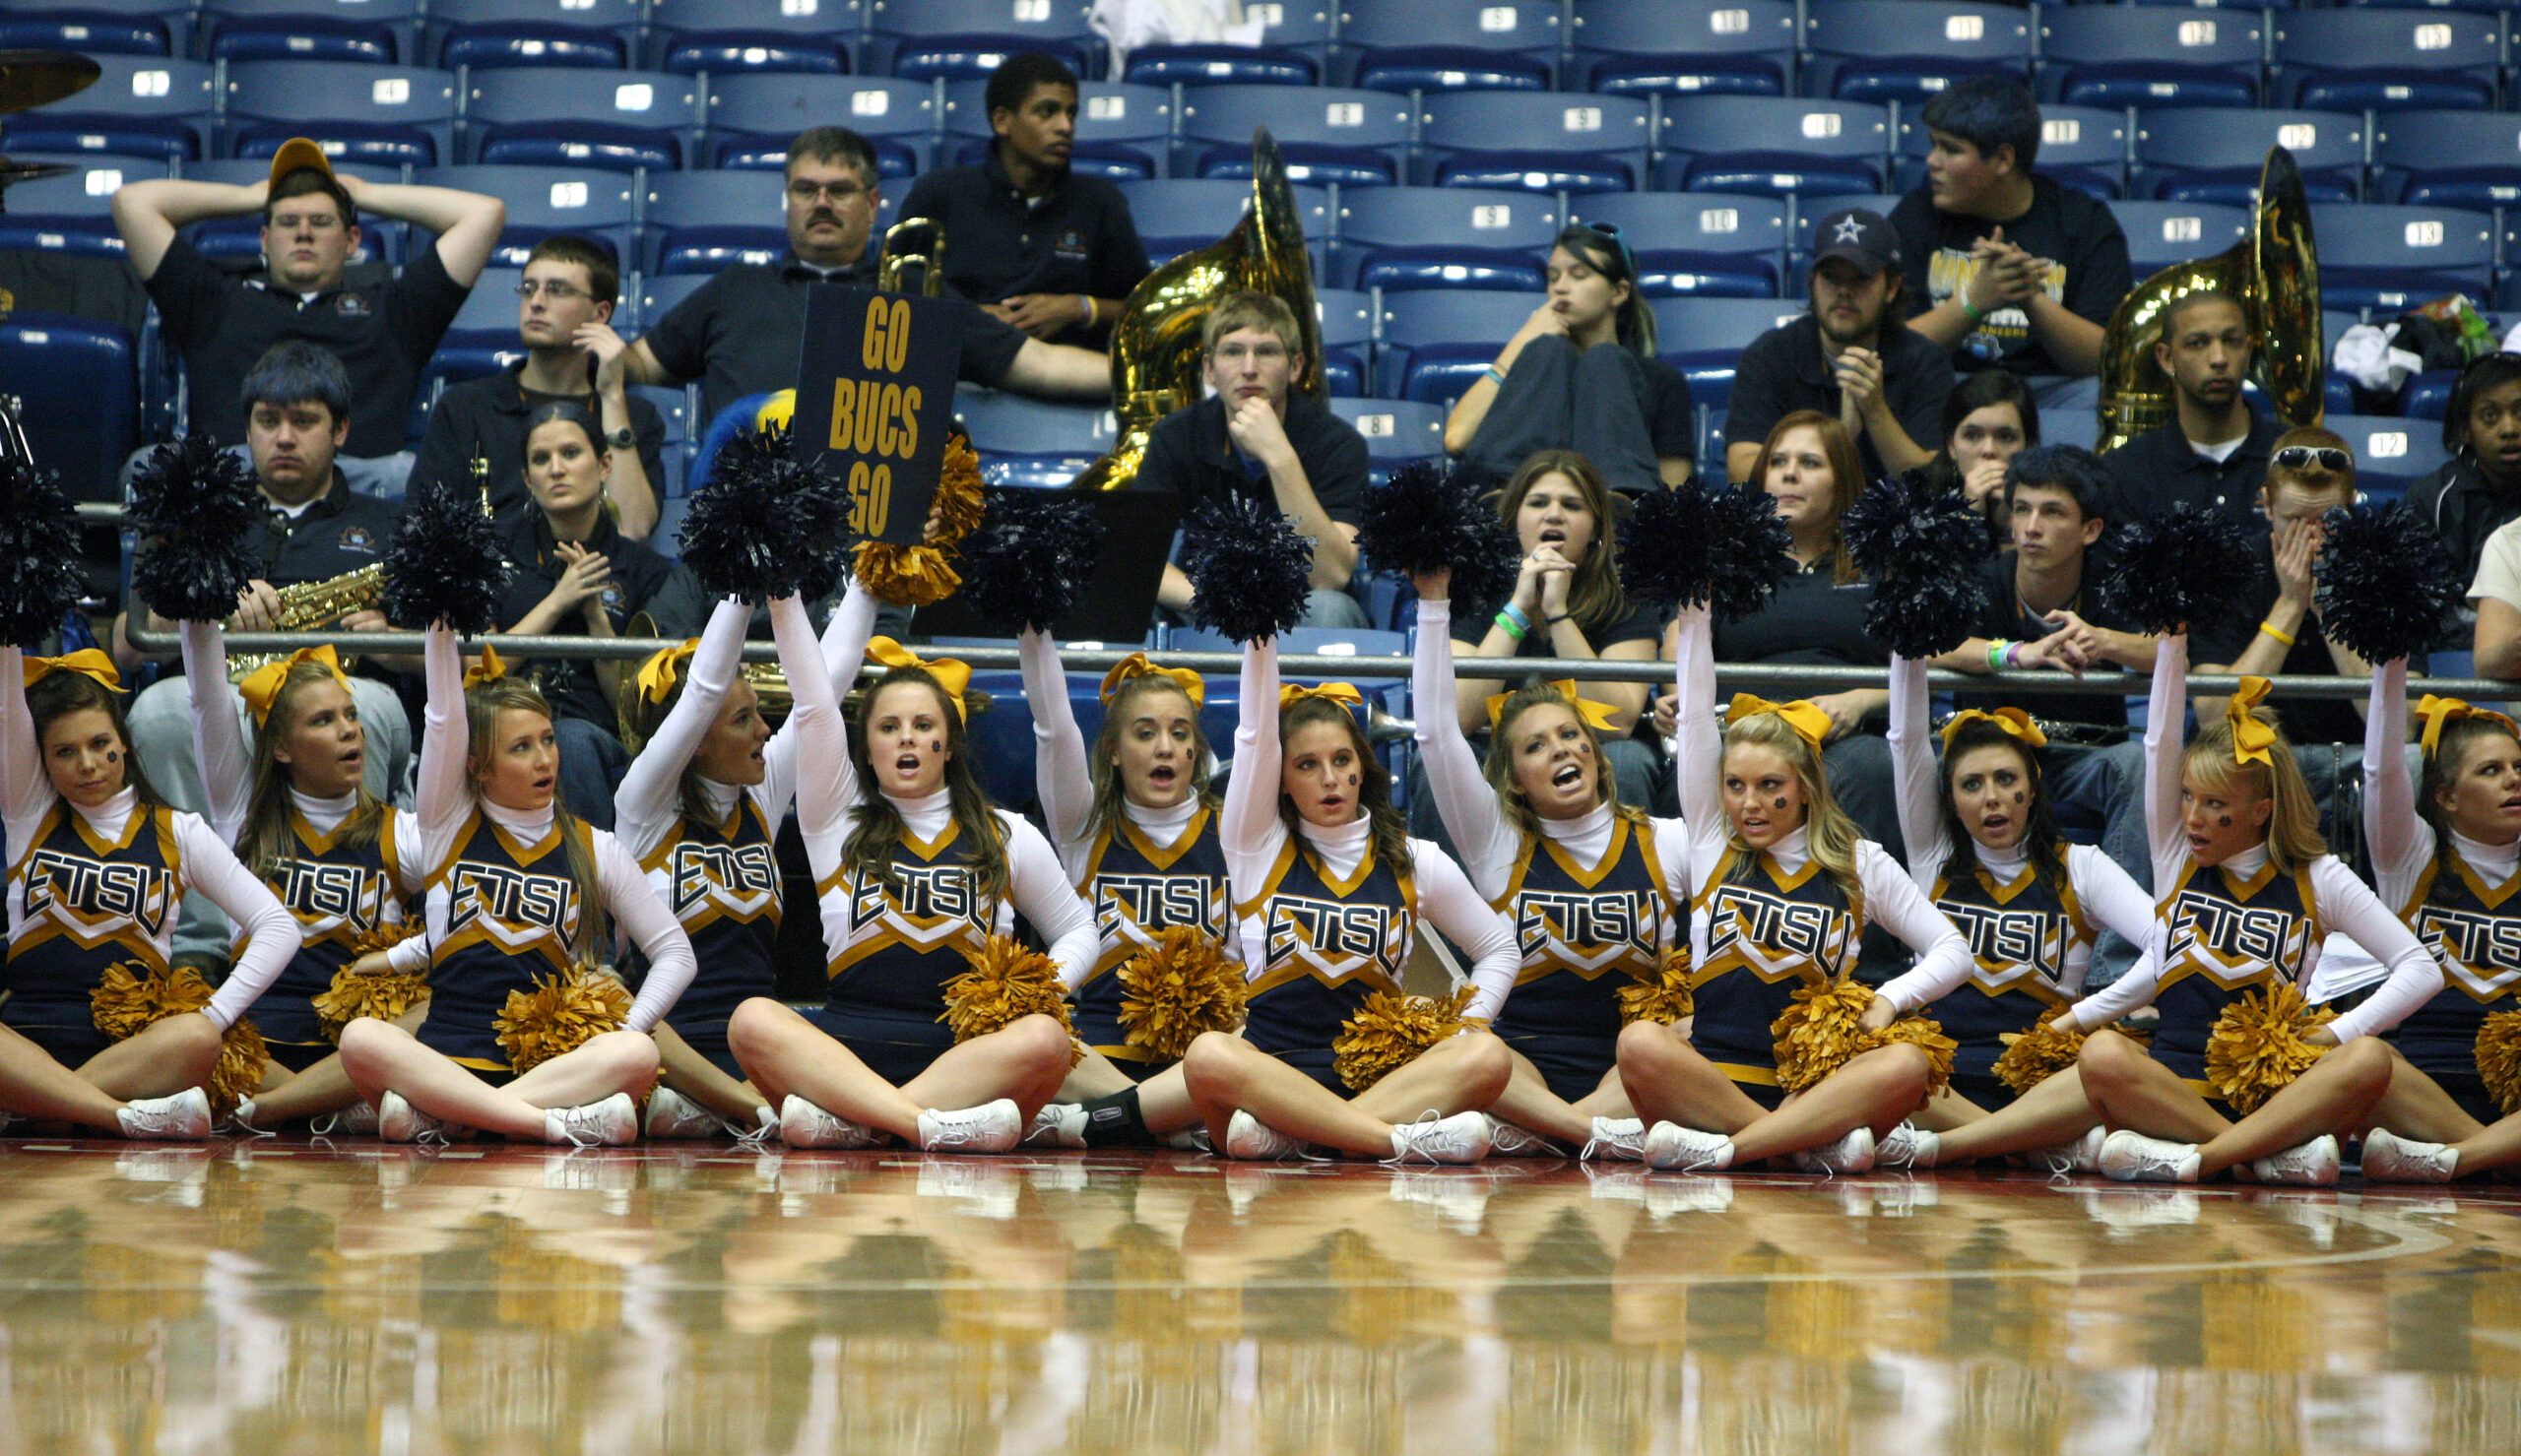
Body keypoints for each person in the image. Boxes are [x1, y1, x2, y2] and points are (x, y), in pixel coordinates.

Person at [723, 579, 1098, 1154]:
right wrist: (781, 595)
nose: (907, 739)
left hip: (966, 1055)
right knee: (751, 1019)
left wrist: (1037, 993)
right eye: (889, 727)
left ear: (949, 745)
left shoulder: (1005, 833)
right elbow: (815, 706)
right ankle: (925, 1125)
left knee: (1046, 1038)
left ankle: (859, 1123)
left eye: (924, 727)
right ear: (867, 748)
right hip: (847, 1045)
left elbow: (1077, 928)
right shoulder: (834, 820)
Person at [2057, 630, 2442, 1185]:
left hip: (2274, 1093)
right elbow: (2159, 743)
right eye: (2187, 797)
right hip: (2177, 1083)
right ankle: (2259, 1157)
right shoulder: (2178, 858)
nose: (2191, 817)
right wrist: (2171, 642)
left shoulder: (2319, 878)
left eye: (2215, 804)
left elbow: (2420, 967)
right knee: (2102, 1053)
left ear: (2261, 810)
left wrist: (2333, 1035)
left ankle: (2200, 1160)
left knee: (2370, 1059)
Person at [1619, 597, 1973, 1174]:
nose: (1750, 804)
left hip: (1814, 1086)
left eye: (1769, 785)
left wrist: (1888, 1000)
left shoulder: (1860, 862)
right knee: (1638, 1042)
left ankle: (1734, 1152)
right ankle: (1799, 1145)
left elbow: (1954, 951)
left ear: (1806, 786)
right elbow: (1694, 719)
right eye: (1734, 785)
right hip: (1712, 1078)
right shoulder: (1713, 841)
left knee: (1907, 1062)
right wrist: (1698, 613)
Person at [335, 622, 695, 1147]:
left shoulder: (595, 847)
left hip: (548, 1066)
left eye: (547, 739)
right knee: (361, 1038)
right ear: (479, 766)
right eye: (521, 747)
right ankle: (544, 1126)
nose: (545, 758)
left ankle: (453, 1118)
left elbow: (675, 953)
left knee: (637, 1052)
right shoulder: (446, 826)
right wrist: (441, 623)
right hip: (446, 1056)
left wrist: (624, 1028)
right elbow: (441, 719)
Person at [115, 343, 414, 969]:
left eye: (303, 422)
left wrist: (388, 639)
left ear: (341, 432)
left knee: (379, 706)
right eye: (267, 421)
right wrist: (204, 600)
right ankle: (200, 945)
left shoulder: (391, 524)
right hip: (212, 695)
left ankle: (356, 931)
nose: (283, 438)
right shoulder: (194, 518)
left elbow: (458, 657)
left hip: (336, 691)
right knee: (157, 710)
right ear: (245, 427)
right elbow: (126, 642)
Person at [1172, 632, 1520, 1164]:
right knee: (1207, 1055)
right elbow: (1253, 737)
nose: (1330, 778)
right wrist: (1259, 634)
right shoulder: (1253, 846)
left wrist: (1463, 1024)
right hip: (1273, 1076)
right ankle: (1389, 1141)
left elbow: (1500, 949)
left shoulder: (1414, 858)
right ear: (1281, 779)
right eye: (1306, 765)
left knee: (1488, 1055)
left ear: (1363, 765)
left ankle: (1307, 1140)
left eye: (1341, 760)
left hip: (1378, 1077)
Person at [1409, 564, 1690, 1153]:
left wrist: (1698, 618)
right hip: (1522, 1066)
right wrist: (1435, 604)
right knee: (1458, 1044)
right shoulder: (1498, 841)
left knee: (1688, 1037)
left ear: (1594, 747)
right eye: (1535, 746)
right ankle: (1592, 1136)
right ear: (1513, 779)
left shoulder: (1666, 841)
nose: (1560, 748)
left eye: (1569, 734)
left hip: (1628, 1072)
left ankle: (1543, 1134)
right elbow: (1435, 733)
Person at [0, 645, 298, 1138]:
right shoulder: (29, 813)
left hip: (131, 1052)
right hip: (27, 1037)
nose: (88, 764)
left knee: (198, 1038)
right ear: (42, 760)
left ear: (125, 743)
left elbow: (277, 925)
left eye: (101, 744)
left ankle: (37, 1105)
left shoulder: (178, 831)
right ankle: (117, 1117)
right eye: (65, 752)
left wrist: (217, 1013)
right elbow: (9, 704)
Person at [622, 126, 1109, 424]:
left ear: (874, 203)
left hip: (866, 533)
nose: (821, 203)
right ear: (788, 201)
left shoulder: (915, 292)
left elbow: (1038, 365)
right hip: (741, 531)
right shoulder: (734, 289)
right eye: (806, 190)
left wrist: (1151, 373)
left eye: (840, 190)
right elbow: (639, 366)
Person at [1879, 647, 2158, 1166]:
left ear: (2032, 787)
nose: (1992, 797)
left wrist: (2083, 1016)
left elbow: (2170, 947)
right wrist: (1907, 643)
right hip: (1942, 1080)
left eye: (2007, 779)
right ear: (1950, 799)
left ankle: (1956, 1149)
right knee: (1888, 1066)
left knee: (2113, 1064)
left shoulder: (2082, 866)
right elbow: (1905, 741)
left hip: (2042, 1080)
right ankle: (2033, 1145)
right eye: (1971, 784)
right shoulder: (1932, 855)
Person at [109, 138, 505, 492]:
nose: (303, 232)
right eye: (286, 222)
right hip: (234, 479)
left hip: (360, 487)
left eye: (320, 222)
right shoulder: (215, 299)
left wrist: (361, 192)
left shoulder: (395, 308)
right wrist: (252, 196)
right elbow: (133, 203)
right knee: (143, 468)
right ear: (265, 239)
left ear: (352, 241)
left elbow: (484, 214)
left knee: (416, 476)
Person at [178, 627, 429, 1130]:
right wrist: (198, 602)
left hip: (354, 1039)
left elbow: (466, 915)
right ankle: (337, 1108)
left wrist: (399, 957)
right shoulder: (242, 818)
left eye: (351, 715)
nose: (349, 730)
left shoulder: (402, 834)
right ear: (282, 749)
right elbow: (207, 699)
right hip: (259, 1043)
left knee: (432, 1015)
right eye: (323, 720)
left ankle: (262, 1112)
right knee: (182, 1028)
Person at [1663, 412, 1903, 863]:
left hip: (1842, 739)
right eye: (1778, 461)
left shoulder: (1878, 567)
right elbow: (1681, 639)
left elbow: (1914, 667)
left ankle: (1857, 926)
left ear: (1842, 480)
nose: (1790, 472)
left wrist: (1859, 701)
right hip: (1741, 736)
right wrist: (1679, 699)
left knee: (1872, 766)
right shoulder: (1725, 564)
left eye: (1810, 462)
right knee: (1691, 767)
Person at [612, 596, 803, 1139]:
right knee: (616, 1005)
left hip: (755, 1040)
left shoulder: (759, 796)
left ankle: (717, 1109)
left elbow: (820, 697)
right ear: (694, 742)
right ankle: (754, 1111)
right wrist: (740, 591)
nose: (765, 729)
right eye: (743, 718)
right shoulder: (643, 808)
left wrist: (862, 583)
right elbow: (699, 695)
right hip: (669, 1041)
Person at [1017, 638, 1230, 1088]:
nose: (1165, 748)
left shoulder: (1238, 833)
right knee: (1033, 1042)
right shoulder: (1084, 825)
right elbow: (1054, 730)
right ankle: (1154, 1117)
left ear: (1198, 749)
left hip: (1204, 1064)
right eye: (1146, 732)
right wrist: (1032, 627)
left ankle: (1115, 1118)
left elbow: (1260, 738)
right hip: (1100, 1058)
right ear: (1114, 751)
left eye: (1179, 732)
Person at [490, 403, 706, 832]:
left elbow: (633, 712)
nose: (556, 469)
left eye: (571, 454)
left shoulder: (647, 571)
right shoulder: (494, 554)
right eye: (540, 459)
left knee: (570, 739)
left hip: (596, 735)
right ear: (526, 480)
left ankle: (592, 885)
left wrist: (594, 616)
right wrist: (557, 601)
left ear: (605, 464)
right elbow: (473, 673)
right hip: (502, 724)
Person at [1138, 290, 1372, 630]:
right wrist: (1214, 597)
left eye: (1266, 352)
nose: (1249, 369)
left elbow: (1331, 575)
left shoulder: (1338, 443)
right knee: (1134, 608)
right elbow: (1142, 560)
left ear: (1295, 367)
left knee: (1330, 610)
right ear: (1209, 369)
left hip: (1301, 605)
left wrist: (1279, 457)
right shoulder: (1176, 436)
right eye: (1233, 352)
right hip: (1204, 599)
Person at [406, 235, 666, 539]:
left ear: (600, 315)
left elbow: (632, 529)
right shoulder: (465, 407)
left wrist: (611, 397)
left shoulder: (634, 415)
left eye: (557, 290)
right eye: (528, 289)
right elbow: (421, 530)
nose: (537, 303)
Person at [894, 51, 1149, 348]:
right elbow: (893, 291)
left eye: (1071, 113)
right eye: (1047, 112)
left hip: (1066, 377)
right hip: (959, 369)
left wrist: (1079, 308)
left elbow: (1142, 307)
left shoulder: (1100, 201)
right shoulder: (939, 194)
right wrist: (971, 317)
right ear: (1002, 121)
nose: (1065, 127)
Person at [1891, 77, 2132, 383]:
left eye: (1950, 150)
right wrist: (1975, 301)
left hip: (2052, 390)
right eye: (1933, 145)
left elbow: (2105, 358)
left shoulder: (2083, 221)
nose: (1931, 161)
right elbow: (1893, 352)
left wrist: (2029, 295)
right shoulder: (1916, 215)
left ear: (2003, 159)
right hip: (1948, 385)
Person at [2189, 428, 2370, 814]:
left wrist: (2327, 607)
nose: (2311, 539)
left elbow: (2398, 724)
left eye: (2326, 521)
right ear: (2267, 505)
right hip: (2249, 762)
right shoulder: (2225, 569)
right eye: (2294, 520)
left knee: (2413, 767)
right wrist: (2289, 605)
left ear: (2352, 505)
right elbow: (2212, 716)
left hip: (2357, 761)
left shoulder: (2382, 571)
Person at [1443, 222, 1696, 496]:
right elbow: (1457, 439)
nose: (1560, 288)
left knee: (1604, 361)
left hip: (1616, 527)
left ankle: (1615, 500)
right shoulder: (1535, 362)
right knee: (1551, 351)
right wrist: (1523, 340)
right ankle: (1511, 496)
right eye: (1553, 277)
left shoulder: (1660, 379)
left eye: (1579, 275)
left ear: (1619, 291)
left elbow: (1673, 494)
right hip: (1518, 516)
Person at [1725, 208, 1954, 485]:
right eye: (1831, 277)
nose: (1844, 291)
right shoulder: (1771, 355)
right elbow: (1741, 472)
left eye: (1860, 278)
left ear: (1891, 288)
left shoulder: (1925, 361)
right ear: (1813, 283)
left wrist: (1875, 411)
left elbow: (1932, 486)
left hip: (1896, 524)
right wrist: (1839, 440)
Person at [2099, 289, 2277, 528]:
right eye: (2197, 344)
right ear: (2167, 358)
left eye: (2231, 341)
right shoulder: (2126, 471)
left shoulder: (2294, 458)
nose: (2218, 358)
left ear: (2248, 351)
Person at [2411, 351, 2521, 595]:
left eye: (2520, 413)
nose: (2509, 429)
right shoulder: (2431, 499)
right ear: (2465, 429)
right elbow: (2421, 604)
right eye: (2490, 416)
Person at [1919, 368, 2039, 545]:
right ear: (1951, 446)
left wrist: (2011, 522)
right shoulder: (1918, 503)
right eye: (1973, 435)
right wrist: (1969, 516)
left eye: (2005, 437)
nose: (1989, 450)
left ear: (2029, 446)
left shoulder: (2050, 500)